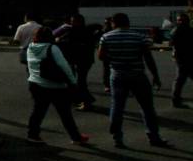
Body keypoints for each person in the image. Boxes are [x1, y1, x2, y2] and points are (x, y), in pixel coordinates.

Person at [99, 13, 169, 148]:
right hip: (137, 74)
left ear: (114, 23)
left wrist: (115, 60)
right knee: (147, 107)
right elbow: (148, 58)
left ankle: (117, 138)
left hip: (117, 75)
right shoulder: (139, 37)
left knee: (117, 107)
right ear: (127, 22)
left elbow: (101, 56)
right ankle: (154, 136)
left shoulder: (106, 37)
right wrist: (155, 76)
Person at [24, 26, 90, 145]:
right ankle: (75, 137)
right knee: (65, 114)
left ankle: (32, 135)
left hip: (35, 83)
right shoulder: (52, 48)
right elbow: (64, 66)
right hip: (55, 86)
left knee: (38, 112)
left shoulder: (30, 47)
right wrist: (73, 81)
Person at [54, 14, 96, 110]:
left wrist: (58, 40)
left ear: (78, 22)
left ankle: (87, 101)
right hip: (87, 59)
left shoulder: (73, 31)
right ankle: (86, 100)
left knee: (79, 82)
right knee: (81, 80)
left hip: (79, 59)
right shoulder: (87, 30)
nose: (71, 23)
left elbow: (62, 40)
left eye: (73, 21)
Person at [171, 13, 192, 108]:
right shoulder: (189, 30)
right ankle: (175, 100)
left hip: (181, 58)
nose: (179, 22)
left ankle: (175, 100)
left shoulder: (176, 30)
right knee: (179, 80)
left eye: (179, 20)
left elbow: (172, 43)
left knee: (179, 80)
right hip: (186, 58)